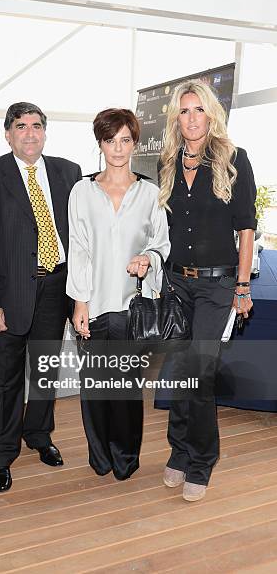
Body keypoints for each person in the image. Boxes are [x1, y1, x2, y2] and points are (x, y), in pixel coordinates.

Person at [0, 102, 82, 493]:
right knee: (4, 379)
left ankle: (38, 435)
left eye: (36, 126)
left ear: (44, 132)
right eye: (20, 126)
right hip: (7, 292)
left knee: (46, 370)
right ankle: (0, 454)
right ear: (8, 133)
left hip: (56, 287)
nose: (29, 133)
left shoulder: (69, 172)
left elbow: (81, 237)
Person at [157, 79, 256, 501]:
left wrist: (243, 285)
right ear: (176, 119)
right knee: (179, 374)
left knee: (198, 375)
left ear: (211, 113)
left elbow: (246, 229)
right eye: (184, 111)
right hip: (176, 284)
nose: (191, 118)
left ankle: (201, 461)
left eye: (198, 109)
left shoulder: (234, 160)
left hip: (217, 288)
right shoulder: (168, 163)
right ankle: (178, 453)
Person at [67, 108, 170, 480]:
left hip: (131, 308)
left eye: (125, 140)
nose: (118, 148)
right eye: (110, 140)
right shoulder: (82, 190)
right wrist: (79, 301)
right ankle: (100, 456)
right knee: (94, 387)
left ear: (135, 143)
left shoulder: (150, 193)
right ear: (100, 144)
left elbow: (162, 243)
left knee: (126, 388)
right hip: (93, 305)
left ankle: (125, 457)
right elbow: (77, 248)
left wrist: (148, 257)